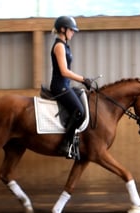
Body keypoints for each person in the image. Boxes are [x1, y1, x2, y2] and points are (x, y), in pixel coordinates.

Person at [49, 16, 92, 159]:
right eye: (71, 30)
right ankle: (65, 144)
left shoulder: (65, 45)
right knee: (79, 112)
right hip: (59, 87)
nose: (73, 33)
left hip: (65, 85)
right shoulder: (59, 46)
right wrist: (83, 79)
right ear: (63, 29)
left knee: (82, 95)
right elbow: (64, 71)